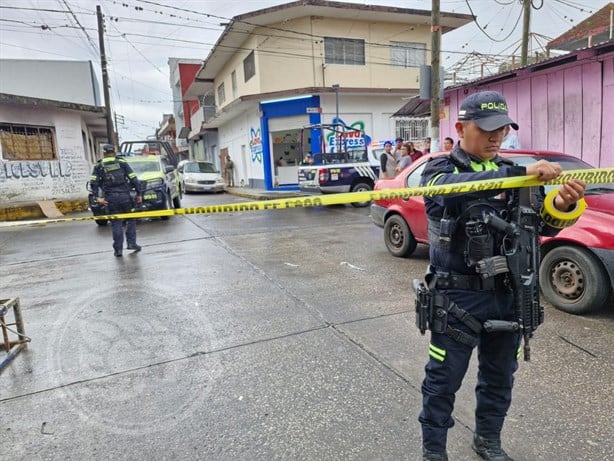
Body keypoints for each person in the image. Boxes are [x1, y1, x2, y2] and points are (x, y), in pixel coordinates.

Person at [418, 90, 586, 461]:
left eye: (503, 129)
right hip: (456, 299)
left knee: (499, 378)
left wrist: (564, 203)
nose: (497, 137)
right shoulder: (440, 170)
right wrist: (520, 173)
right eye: (487, 129)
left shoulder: (522, 175)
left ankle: (488, 440)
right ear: (461, 128)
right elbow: (446, 193)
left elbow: (545, 224)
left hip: (508, 296)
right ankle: (433, 451)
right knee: (442, 381)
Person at [89, 144, 142, 257]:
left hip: (110, 199)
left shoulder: (99, 165)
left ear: (103, 153)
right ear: (114, 151)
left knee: (116, 223)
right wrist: (139, 193)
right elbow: (133, 178)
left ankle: (118, 250)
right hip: (125, 197)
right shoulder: (122, 163)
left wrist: (97, 198)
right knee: (131, 219)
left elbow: (94, 182)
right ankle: (132, 243)